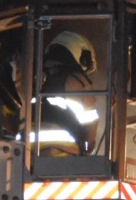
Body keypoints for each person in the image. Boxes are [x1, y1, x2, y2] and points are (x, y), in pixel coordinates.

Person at [36, 28, 102, 156]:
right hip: (63, 153)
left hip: (27, 154)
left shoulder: (34, 77)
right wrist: (89, 145)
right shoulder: (79, 81)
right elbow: (90, 120)